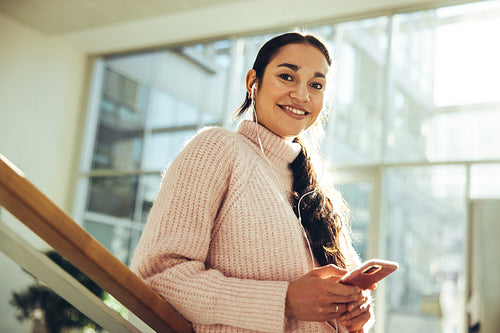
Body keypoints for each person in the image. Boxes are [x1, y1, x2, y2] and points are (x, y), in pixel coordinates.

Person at [130, 32, 373, 332]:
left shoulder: (321, 192)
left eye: (316, 85)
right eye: (287, 76)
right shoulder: (217, 150)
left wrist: (352, 315)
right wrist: (283, 301)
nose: (302, 94)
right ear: (252, 83)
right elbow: (158, 275)